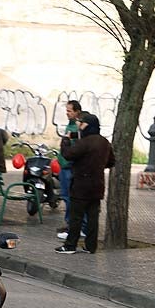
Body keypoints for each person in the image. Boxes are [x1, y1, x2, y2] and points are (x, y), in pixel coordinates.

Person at [55, 114, 114, 255]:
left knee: (76, 217)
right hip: (97, 186)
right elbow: (112, 161)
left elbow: (68, 154)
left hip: (81, 186)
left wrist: (66, 140)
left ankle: (70, 245)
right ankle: (90, 246)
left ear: (87, 125)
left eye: (81, 124)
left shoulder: (85, 142)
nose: (79, 127)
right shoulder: (104, 142)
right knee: (93, 217)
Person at [56, 101, 90, 239]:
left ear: (77, 111)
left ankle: (78, 226)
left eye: (70, 110)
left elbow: (76, 146)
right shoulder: (71, 125)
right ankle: (71, 224)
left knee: (71, 198)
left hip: (70, 166)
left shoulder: (78, 126)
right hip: (64, 166)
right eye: (67, 110)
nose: (67, 113)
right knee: (66, 196)